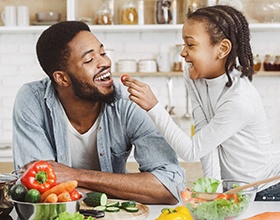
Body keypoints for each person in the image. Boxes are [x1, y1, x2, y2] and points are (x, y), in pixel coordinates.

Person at [12, 21, 186, 204]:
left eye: (102, 53)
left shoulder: (129, 102)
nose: (105, 62)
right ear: (62, 78)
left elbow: (170, 187)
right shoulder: (32, 100)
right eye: (89, 60)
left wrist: (75, 176)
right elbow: (38, 190)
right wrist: (125, 189)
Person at [122, 5, 280, 201]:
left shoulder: (240, 99)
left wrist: (154, 107)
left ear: (222, 49)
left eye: (190, 44)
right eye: (183, 44)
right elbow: (206, 140)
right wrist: (214, 192)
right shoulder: (194, 76)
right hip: (235, 192)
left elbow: (191, 150)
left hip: (264, 189)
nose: (183, 52)